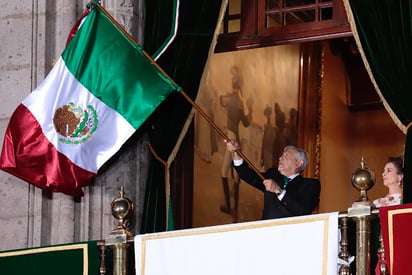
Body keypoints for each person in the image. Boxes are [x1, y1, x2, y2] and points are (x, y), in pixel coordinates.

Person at [225, 140, 321, 220]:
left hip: (291, 237)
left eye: (286, 156)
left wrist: (278, 190)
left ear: (298, 163)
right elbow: (250, 176)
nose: (280, 158)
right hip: (267, 235)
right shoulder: (272, 175)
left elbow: (303, 210)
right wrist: (236, 153)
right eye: (281, 156)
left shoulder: (310, 185)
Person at [219, 66, 253, 222]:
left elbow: (221, 101)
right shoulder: (239, 102)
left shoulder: (233, 99)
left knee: (224, 171)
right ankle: (234, 208)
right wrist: (250, 109)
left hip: (231, 136)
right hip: (235, 136)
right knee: (236, 174)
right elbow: (246, 123)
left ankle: (230, 207)